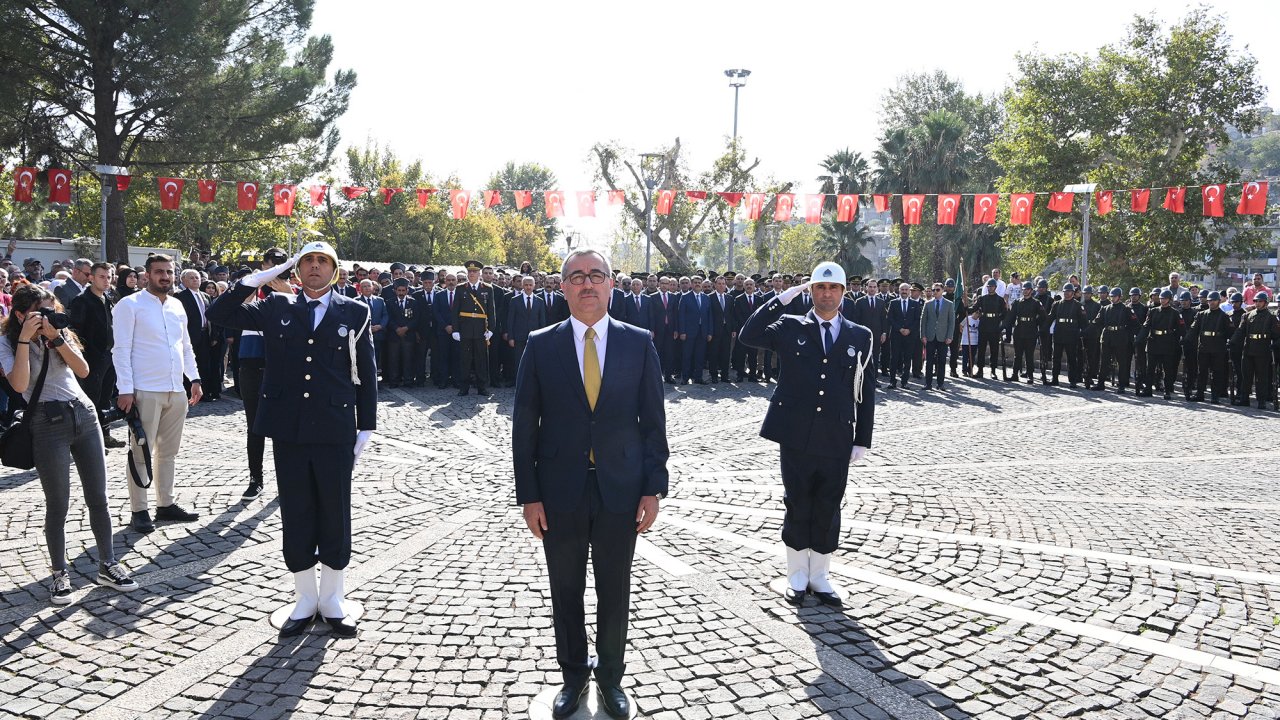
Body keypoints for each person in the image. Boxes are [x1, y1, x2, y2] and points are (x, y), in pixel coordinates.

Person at [513, 249, 668, 720]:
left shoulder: (638, 342)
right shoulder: (541, 344)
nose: (587, 284)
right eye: (576, 276)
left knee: (614, 589)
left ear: (610, 285)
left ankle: (612, 678)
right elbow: (525, 425)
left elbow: (653, 422)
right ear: (563, 287)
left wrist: (653, 487)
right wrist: (529, 496)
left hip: (621, 488)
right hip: (559, 490)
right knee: (565, 589)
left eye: (596, 275)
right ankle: (574, 675)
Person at [207, 241, 377, 638]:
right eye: (307, 261)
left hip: (334, 426)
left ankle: (332, 597)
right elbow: (220, 313)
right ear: (297, 270)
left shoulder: (355, 311)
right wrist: (261, 277)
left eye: (323, 261)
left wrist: (366, 425)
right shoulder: (276, 307)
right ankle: (304, 597)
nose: (315, 267)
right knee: (297, 509)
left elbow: (366, 371)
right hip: (290, 427)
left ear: (334, 270)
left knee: (335, 509)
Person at [738, 261, 875, 608]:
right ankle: (797, 574)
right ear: (810, 291)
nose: (826, 294)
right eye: (820, 287)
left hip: (836, 434)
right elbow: (748, 335)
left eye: (833, 288)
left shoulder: (860, 335)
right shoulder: (789, 325)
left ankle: (820, 576)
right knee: (798, 501)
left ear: (843, 293)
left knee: (829, 503)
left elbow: (866, 390)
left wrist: (862, 438)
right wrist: (781, 299)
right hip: (796, 433)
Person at [0, 284, 138, 604]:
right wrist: (26, 339)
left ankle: (108, 564)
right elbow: (19, 384)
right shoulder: (7, 342)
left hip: (84, 415)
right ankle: (60, 573)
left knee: (98, 497)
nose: (49, 316)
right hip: (46, 422)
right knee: (58, 503)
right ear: (20, 315)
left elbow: (83, 370)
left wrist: (57, 338)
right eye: (41, 312)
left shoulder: (60, 331)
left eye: (53, 310)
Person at [111, 254, 202, 533]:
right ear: (147, 275)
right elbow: (121, 350)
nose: (165, 276)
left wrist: (194, 378)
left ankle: (166, 504)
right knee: (140, 452)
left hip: (175, 389)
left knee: (169, 452)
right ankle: (139, 510)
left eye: (169, 272)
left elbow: (185, 346)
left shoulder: (177, 305)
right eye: (159, 272)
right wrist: (125, 389)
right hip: (144, 389)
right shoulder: (129, 305)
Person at [66, 262, 124, 448]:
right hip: (92, 358)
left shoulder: (108, 298)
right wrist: (86, 355)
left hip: (109, 355)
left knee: (105, 398)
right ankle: (89, 442)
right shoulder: (82, 300)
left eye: (109, 277)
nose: (106, 281)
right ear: (91, 277)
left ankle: (104, 435)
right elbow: (76, 332)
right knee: (90, 399)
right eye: (102, 277)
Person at [452, 260, 495, 396]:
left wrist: (491, 329)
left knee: (481, 359)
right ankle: (463, 387)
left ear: (479, 273)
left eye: (475, 271)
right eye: (470, 271)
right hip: (465, 329)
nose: (472, 274)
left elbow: (491, 310)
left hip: (481, 329)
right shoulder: (460, 288)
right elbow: (455, 310)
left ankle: (482, 387)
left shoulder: (487, 288)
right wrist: (455, 330)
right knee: (465, 359)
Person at [1231, 292, 1279, 409]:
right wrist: (1232, 342)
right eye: (1256, 301)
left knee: (1261, 377)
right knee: (1246, 375)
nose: (1257, 303)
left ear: (1266, 303)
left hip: (1263, 349)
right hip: (1248, 348)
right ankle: (1244, 399)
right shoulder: (1247, 315)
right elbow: (1240, 331)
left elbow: (1277, 336)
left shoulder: (1271, 317)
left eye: (1260, 301)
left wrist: (1274, 345)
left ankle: (1261, 401)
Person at [1188, 292, 1230, 403]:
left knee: (1217, 372)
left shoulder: (1224, 316)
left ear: (1219, 301)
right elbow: (1193, 330)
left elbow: (1229, 332)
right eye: (1210, 300)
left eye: (1213, 300)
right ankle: (1200, 394)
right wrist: (1186, 340)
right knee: (1202, 372)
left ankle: (1215, 396)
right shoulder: (1201, 315)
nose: (1211, 302)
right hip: (1204, 347)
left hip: (1218, 347)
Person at [504, 275, 546, 379]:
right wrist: (511, 337)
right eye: (526, 285)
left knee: (534, 361)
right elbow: (510, 320)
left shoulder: (540, 301)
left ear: (534, 285)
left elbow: (542, 321)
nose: (528, 287)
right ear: (522, 285)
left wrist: (542, 337)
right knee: (519, 361)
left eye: (530, 285)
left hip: (535, 337)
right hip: (518, 337)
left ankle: (532, 382)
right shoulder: (514, 300)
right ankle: (519, 382)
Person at [1048, 284, 1087, 387]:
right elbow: (1050, 318)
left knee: (1072, 358)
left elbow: (1083, 322)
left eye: (1068, 291)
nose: (1066, 293)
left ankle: (1072, 380)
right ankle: (1054, 378)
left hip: (1071, 334)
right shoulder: (1057, 304)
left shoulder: (1078, 305)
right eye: (1065, 291)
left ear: (1073, 293)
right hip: (1059, 333)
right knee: (1056, 357)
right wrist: (1043, 328)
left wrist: (1083, 333)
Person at [920, 282, 955, 390]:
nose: (935, 292)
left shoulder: (949, 304)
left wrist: (950, 336)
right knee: (929, 361)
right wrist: (923, 335)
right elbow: (923, 321)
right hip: (930, 336)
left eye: (937, 290)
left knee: (942, 361)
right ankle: (928, 384)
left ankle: (940, 384)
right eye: (933, 290)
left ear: (942, 290)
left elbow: (951, 322)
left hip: (943, 337)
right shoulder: (928, 304)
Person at [886, 282, 921, 388]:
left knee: (907, 359)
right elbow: (890, 318)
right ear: (899, 290)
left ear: (909, 291)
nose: (904, 291)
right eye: (902, 289)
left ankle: (904, 382)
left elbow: (917, 319)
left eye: (906, 290)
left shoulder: (915, 304)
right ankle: (892, 381)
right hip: (896, 335)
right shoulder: (893, 303)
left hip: (910, 336)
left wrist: (909, 330)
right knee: (894, 358)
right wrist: (900, 329)